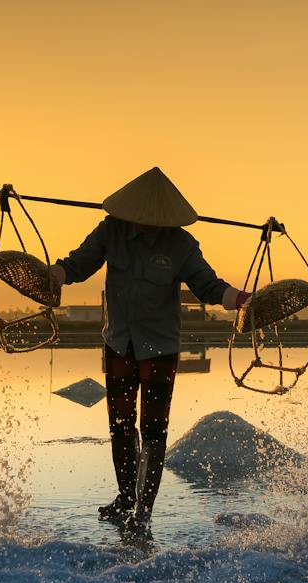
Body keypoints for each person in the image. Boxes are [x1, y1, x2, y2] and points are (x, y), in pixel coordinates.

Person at [49, 168, 249, 534]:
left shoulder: (181, 245)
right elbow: (79, 263)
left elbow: (208, 285)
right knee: (121, 426)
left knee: (154, 430)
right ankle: (126, 497)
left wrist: (238, 299)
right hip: (118, 342)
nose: (148, 227)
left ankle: (143, 509)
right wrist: (56, 275)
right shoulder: (111, 230)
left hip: (159, 348)